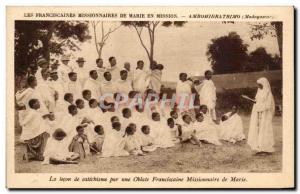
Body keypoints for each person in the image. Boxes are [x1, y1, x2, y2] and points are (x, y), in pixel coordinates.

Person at [247, 77, 275, 155]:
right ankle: (259, 147)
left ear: (264, 84)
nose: (258, 86)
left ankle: (266, 148)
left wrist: (260, 107)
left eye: (260, 85)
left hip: (265, 114)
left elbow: (268, 105)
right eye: (258, 85)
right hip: (258, 113)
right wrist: (250, 100)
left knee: (264, 130)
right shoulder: (259, 92)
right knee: (258, 130)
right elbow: (256, 101)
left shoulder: (268, 93)